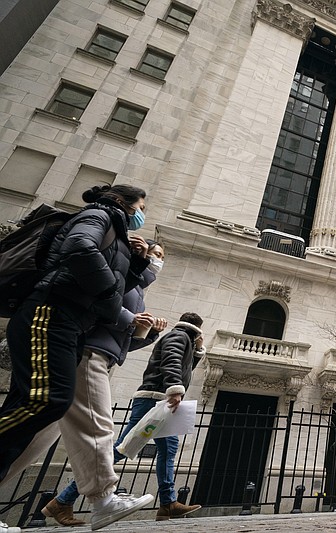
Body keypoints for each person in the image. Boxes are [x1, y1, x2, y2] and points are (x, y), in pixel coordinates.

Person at [0, 185, 160, 526]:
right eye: (140, 207)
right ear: (123, 202)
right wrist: (109, 294)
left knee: (34, 409)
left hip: (70, 322)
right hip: (51, 312)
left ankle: (103, 500)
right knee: (45, 402)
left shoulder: (116, 235)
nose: (141, 215)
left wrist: (138, 262)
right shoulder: (99, 215)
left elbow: (116, 285)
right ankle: (103, 499)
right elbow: (79, 248)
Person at [28, 240, 167, 527]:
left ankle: (72, 501)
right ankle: (103, 499)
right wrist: (131, 318)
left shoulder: (137, 288)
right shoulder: (122, 274)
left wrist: (149, 333)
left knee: (39, 433)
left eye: (161, 257)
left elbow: (124, 340)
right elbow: (99, 301)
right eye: (154, 254)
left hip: (100, 354)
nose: (156, 261)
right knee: (99, 426)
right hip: (87, 352)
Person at [113, 313, 206, 521]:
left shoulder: (184, 339)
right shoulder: (179, 336)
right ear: (198, 327)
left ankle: (168, 504)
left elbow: (184, 367)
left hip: (161, 402)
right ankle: (65, 499)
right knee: (124, 447)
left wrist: (198, 350)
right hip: (154, 400)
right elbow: (172, 359)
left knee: (168, 449)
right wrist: (174, 388)